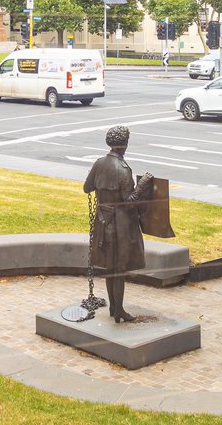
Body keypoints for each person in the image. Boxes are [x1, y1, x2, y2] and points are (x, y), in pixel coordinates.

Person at [83, 126, 154, 323]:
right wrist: (142, 185)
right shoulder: (123, 169)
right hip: (121, 225)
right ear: (125, 145)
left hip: (103, 221)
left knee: (109, 268)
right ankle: (118, 310)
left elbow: (87, 187)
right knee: (119, 269)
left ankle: (115, 308)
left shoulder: (99, 163)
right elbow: (129, 200)